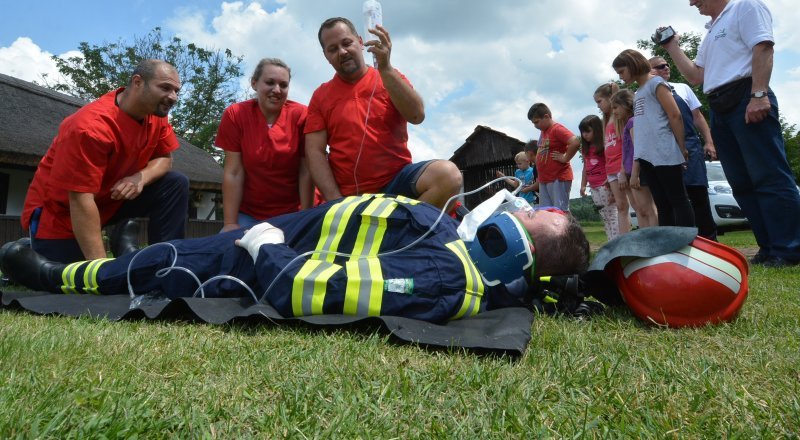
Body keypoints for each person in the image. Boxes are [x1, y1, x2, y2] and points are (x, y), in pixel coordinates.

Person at [0, 193, 591, 324]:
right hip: (300, 228)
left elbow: (315, 292)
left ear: (514, 248)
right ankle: (135, 254)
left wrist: (267, 249)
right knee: (167, 251)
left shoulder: (445, 274)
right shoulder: (466, 253)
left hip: (279, 249)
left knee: (173, 261)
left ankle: (63, 275)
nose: (525, 206)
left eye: (533, 215)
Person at [661, 0, 800, 265]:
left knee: (769, 175)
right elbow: (696, 76)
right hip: (720, 105)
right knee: (741, 181)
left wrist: (759, 94)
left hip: (746, 95)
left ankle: (790, 248)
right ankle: (769, 248)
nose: (692, 3)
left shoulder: (745, 7)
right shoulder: (711, 32)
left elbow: (763, 46)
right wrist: (672, 46)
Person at [20, 59, 189, 263]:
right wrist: (100, 270)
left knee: (175, 183)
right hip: (62, 214)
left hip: (110, 200)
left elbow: (164, 159)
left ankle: (166, 264)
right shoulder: (89, 128)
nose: (173, 97)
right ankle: (27, 250)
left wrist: (140, 177)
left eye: (176, 91)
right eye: (165, 88)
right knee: (72, 285)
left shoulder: (156, 113)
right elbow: (80, 200)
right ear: (137, 82)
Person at [305, 17, 463, 211]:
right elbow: (315, 152)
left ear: (361, 42)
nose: (342, 52)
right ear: (325, 55)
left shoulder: (389, 76)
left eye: (347, 43)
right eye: (333, 49)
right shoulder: (321, 96)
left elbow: (417, 115)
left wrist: (386, 68)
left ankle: (407, 231)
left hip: (398, 184)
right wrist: (336, 202)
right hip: (350, 197)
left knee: (448, 175)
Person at [215, 58, 314, 232]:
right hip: (250, 213)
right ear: (254, 83)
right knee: (230, 249)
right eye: (270, 82)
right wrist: (230, 223)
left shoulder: (301, 115)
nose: (277, 90)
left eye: (283, 85)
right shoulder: (235, 115)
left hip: (293, 211)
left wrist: (305, 218)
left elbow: (306, 171)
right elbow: (234, 172)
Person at [612, 49, 695, 228]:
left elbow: (675, 115)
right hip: (647, 157)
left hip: (664, 151)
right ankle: (667, 244)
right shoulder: (639, 92)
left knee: (678, 199)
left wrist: (681, 147)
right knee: (662, 203)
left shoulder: (656, 83)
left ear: (633, 65)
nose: (621, 77)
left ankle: (688, 242)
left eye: (621, 72)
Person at [649, 56, 717, 240]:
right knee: (674, 198)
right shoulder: (648, 92)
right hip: (665, 147)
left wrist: (709, 141)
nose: (665, 67)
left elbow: (697, 116)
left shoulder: (682, 88)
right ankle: (681, 243)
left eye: (666, 64)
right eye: (659, 66)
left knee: (699, 194)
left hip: (690, 145)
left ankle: (709, 240)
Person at [611, 89, 658, 228]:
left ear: (627, 105)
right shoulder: (627, 123)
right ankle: (645, 241)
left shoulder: (633, 122)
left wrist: (635, 174)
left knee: (648, 209)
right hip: (631, 171)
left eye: (615, 107)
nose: (614, 112)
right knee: (641, 210)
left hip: (638, 171)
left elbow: (638, 148)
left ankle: (654, 242)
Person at [527, 103, 580, 211]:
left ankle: (570, 228)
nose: (535, 126)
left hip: (558, 178)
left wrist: (565, 158)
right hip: (545, 179)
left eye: (537, 122)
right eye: (533, 123)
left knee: (560, 211)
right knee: (546, 212)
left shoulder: (557, 129)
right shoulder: (543, 132)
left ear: (546, 117)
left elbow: (575, 141)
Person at [594, 83, 631, 234]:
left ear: (610, 99)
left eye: (599, 101)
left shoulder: (619, 118)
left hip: (622, 166)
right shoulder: (606, 121)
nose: (598, 106)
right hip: (611, 169)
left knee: (634, 205)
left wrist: (615, 91)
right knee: (621, 206)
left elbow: (625, 144)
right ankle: (623, 242)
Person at [578, 115, 618, 240]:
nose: (585, 135)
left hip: (605, 185)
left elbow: (610, 166)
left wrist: (612, 189)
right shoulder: (586, 149)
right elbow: (585, 167)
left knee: (612, 214)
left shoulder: (603, 147)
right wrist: (583, 185)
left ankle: (617, 240)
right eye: (583, 132)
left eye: (588, 131)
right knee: (604, 215)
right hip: (593, 186)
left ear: (596, 130)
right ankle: (611, 241)